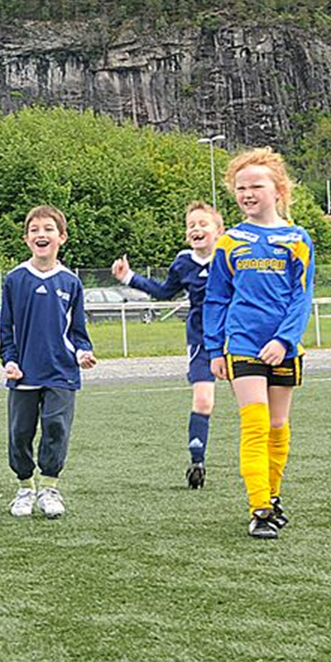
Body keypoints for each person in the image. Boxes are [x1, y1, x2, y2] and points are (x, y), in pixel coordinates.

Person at [204, 147, 314, 540]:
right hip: (243, 345)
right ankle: (260, 508)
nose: (247, 193)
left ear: (278, 189)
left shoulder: (297, 239)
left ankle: (274, 494)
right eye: (240, 187)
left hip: (283, 348)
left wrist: (285, 340)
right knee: (254, 424)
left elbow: (301, 297)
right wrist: (216, 348)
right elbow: (216, 297)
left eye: (256, 186)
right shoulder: (230, 242)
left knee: (277, 425)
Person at [112, 202, 224, 489]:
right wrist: (128, 277)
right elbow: (165, 291)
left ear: (219, 230)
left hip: (238, 337)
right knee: (202, 401)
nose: (196, 229)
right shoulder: (184, 262)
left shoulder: (232, 255)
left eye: (203, 224)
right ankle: (197, 462)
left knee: (253, 402)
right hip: (202, 339)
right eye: (191, 225)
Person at [1, 206, 96, 519]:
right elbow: (7, 328)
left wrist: (82, 353)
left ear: (62, 237)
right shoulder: (15, 279)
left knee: (56, 427)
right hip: (24, 372)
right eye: (35, 230)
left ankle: (50, 488)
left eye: (48, 229)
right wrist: (10, 360)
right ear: (26, 238)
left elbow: (78, 331)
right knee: (20, 433)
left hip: (61, 372)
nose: (41, 235)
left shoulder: (70, 282)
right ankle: (25, 488)